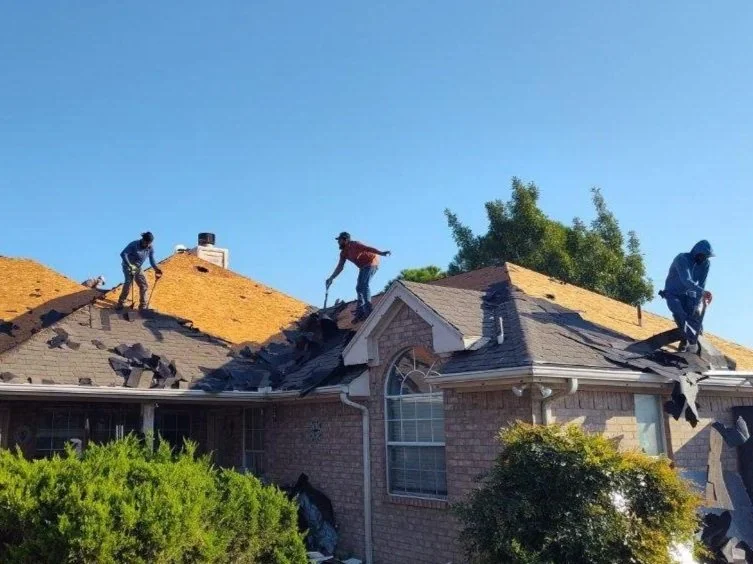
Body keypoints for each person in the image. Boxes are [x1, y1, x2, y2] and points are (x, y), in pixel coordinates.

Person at [326, 232, 391, 321]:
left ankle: (368, 309)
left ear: (346, 240)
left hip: (372, 262)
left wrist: (381, 253)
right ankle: (360, 312)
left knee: (364, 284)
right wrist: (331, 277)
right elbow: (340, 266)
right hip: (363, 267)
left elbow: (368, 248)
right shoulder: (343, 253)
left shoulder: (355, 244)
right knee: (358, 288)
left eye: (340, 240)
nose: (338, 243)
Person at [662, 240, 714, 350]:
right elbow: (686, 280)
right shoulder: (682, 259)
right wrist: (703, 292)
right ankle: (686, 342)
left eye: (707, 257)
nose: (704, 259)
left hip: (690, 295)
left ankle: (690, 346)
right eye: (703, 256)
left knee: (695, 320)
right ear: (696, 252)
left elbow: (702, 283)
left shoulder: (706, 264)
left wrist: (700, 301)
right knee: (680, 315)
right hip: (673, 294)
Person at [117, 232, 163, 310]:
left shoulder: (150, 248)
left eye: (150, 243)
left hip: (138, 267)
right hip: (127, 265)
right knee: (128, 282)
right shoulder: (134, 244)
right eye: (147, 243)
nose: (148, 245)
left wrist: (156, 269)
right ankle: (121, 302)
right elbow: (123, 254)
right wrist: (130, 265)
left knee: (144, 285)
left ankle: (143, 306)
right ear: (143, 240)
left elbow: (151, 259)